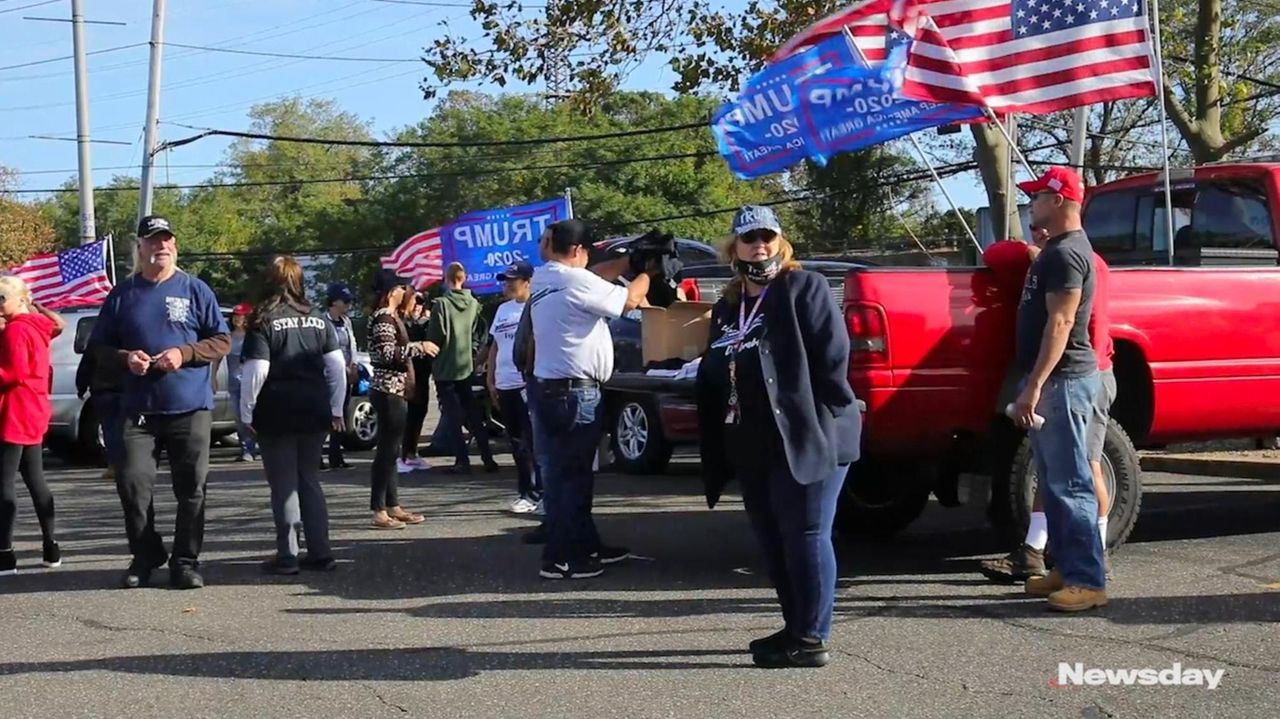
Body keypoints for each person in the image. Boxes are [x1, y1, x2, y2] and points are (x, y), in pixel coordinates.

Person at [695, 206, 861, 669]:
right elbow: (719, 360)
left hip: (808, 433)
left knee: (807, 534)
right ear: (733, 248)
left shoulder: (800, 287)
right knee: (773, 539)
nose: (759, 246)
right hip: (753, 439)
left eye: (767, 237)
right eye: (750, 239)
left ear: (781, 243)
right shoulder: (729, 306)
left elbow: (833, 358)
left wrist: (822, 416)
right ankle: (795, 626)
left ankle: (811, 639)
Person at [89, 215, 231, 590]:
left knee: (192, 489)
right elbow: (100, 348)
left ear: (175, 247)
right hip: (136, 409)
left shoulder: (195, 289)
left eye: (167, 241)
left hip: (190, 406)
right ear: (139, 248)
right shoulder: (122, 295)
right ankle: (146, 553)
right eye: (153, 241)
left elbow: (221, 340)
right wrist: (125, 358)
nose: (161, 247)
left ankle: (185, 561)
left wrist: (184, 354)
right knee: (133, 485)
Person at [979, 231, 1116, 583]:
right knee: (1055, 469)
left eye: (1043, 225)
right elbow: (996, 253)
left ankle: (1093, 556)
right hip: (1069, 376)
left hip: (1086, 375)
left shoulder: (1077, 262)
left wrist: (1045, 380)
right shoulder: (1050, 260)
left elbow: (1085, 330)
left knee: (1086, 468)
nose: (1037, 231)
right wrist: (1030, 250)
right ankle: (1036, 550)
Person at [527, 219, 650, 579]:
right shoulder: (573, 280)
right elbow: (628, 300)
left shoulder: (546, 278)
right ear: (579, 251)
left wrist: (628, 262)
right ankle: (562, 558)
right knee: (573, 478)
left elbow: (596, 274)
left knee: (563, 475)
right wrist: (647, 273)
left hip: (551, 389)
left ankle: (585, 544)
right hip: (574, 393)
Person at [1008, 167, 1107, 612]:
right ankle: (1066, 569)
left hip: (1064, 381)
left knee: (1071, 484)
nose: (1031, 203)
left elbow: (1062, 322)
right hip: (1056, 381)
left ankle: (1088, 581)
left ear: (1061, 200)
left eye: (1038, 197)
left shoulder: (1067, 255)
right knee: (1053, 481)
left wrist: (1034, 385)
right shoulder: (1057, 250)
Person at [239, 257, 346, 575]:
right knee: (310, 481)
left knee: (284, 484)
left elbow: (256, 371)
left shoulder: (263, 320)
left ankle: (287, 556)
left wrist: (247, 413)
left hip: (277, 411)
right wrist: (337, 407)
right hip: (314, 409)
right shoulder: (317, 318)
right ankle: (321, 552)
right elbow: (337, 368)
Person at [0, 275, 62, 575]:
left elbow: (12, 373)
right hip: (35, 408)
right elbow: (58, 324)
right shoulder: (38, 326)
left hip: (14, 410)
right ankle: (51, 546)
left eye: (2, 298)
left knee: (4, 483)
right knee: (35, 479)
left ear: (19, 298)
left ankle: (5, 552)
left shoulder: (14, 330)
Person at [366, 269, 428, 530]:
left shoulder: (392, 317)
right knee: (386, 452)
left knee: (392, 451)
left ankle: (393, 505)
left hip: (396, 389)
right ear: (392, 292)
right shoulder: (383, 318)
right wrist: (418, 347)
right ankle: (378, 509)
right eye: (402, 288)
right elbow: (387, 354)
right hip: (387, 390)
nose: (405, 292)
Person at [423, 262, 498, 475]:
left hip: (445, 366)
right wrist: (473, 352)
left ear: (446, 279)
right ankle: (487, 458)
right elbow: (479, 331)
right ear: (463, 278)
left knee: (452, 416)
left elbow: (435, 337)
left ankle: (462, 460)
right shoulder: (473, 303)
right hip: (465, 365)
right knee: (474, 414)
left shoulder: (442, 305)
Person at [486, 261, 541, 513]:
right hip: (504, 382)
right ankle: (525, 492)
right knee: (517, 442)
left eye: (513, 280)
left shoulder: (536, 307)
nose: (507, 284)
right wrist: (490, 377)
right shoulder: (502, 310)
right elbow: (495, 345)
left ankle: (539, 493)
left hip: (527, 383)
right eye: (505, 280)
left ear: (527, 281)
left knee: (534, 441)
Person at [321, 282, 358, 471]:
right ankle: (317, 457)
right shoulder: (322, 322)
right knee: (324, 416)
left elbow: (352, 345)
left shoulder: (346, 322)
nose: (347, 305)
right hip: (328, 376)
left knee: (341, 414)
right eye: (344, 301)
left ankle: (336, 456)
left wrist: (353, 365)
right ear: (334, 302)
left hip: (346, 375)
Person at [400, 291, 433, 473]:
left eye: (421, 302)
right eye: (415, 301)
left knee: (420, 413)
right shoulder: (403, 323)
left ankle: (412, 453)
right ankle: (404, 454)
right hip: (407, 376)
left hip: (423, 375)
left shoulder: (425, 323)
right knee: (407, 416)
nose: (418, 305)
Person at [228, 302, 258, 463]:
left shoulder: (253, 336)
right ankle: (246, 448)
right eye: (235, 316)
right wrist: (213, 377)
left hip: (250, 381)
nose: (237, 319)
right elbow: (219, 358)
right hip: (233, 382)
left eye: (241, 316)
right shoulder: (229, 336)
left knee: (252, 415)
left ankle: (254, 447)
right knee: (239, 418)